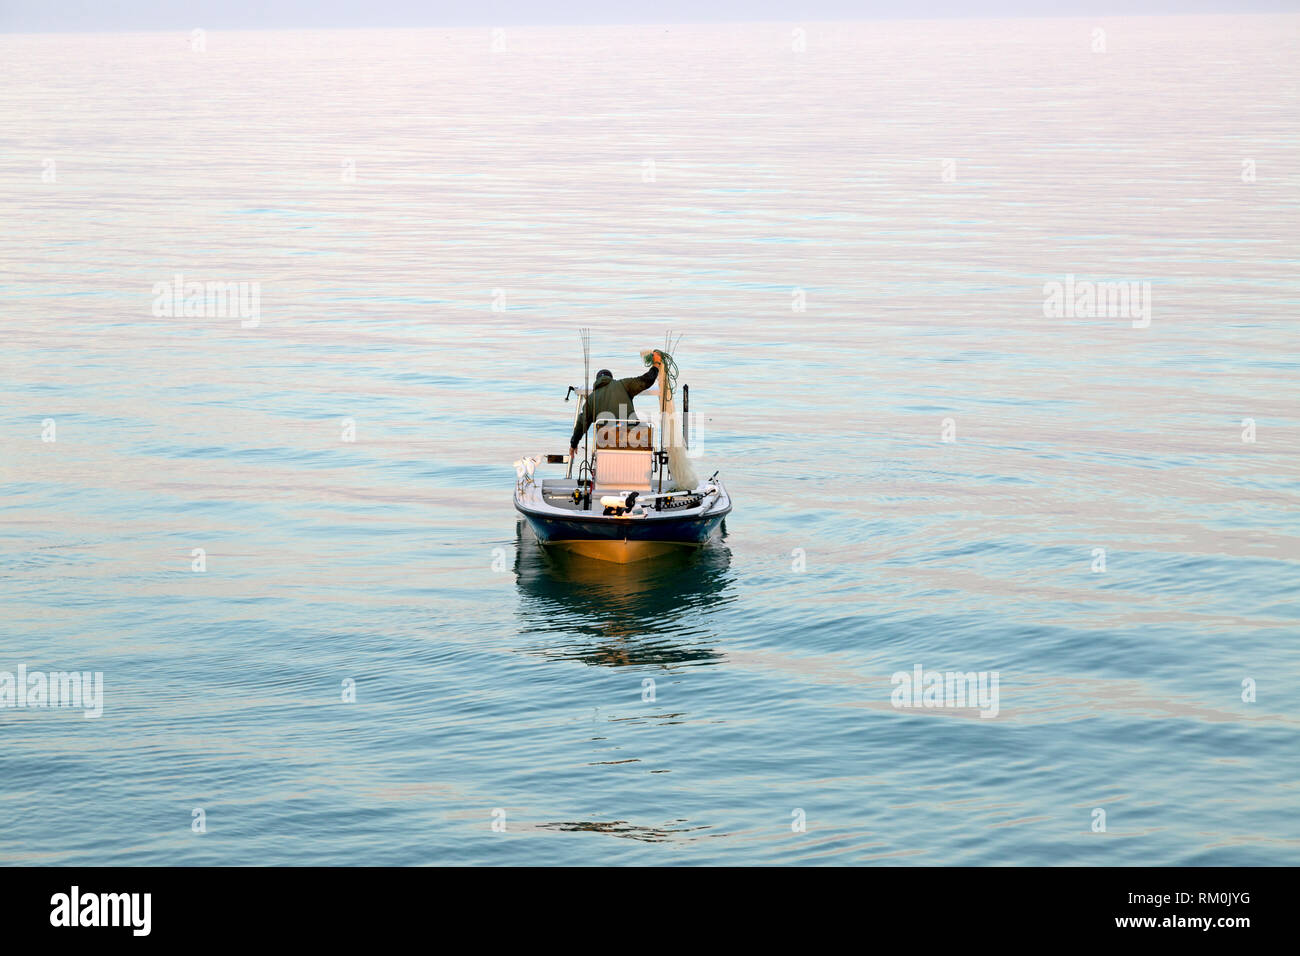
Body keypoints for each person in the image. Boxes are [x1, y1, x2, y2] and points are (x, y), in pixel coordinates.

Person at [569, 351, 662, 459]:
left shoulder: (591, 399)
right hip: (633, 443)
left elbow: (581, 423)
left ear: (597, 381)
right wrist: (656, 364)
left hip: (606, 445)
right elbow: (646, 380)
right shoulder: (623, 385)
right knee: (644, 427)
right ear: (611, 379)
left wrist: (573, 444)